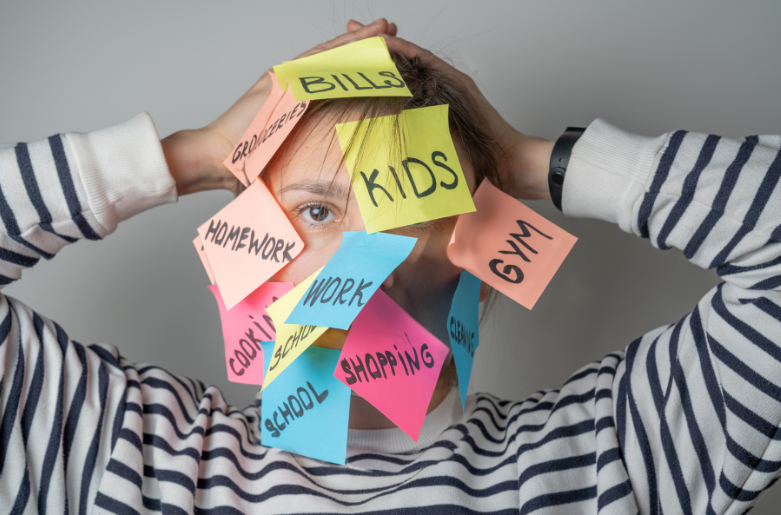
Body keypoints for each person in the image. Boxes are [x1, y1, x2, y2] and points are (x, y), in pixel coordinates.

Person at [1, 17, 779, 514]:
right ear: (249, 234)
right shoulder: (129, 450)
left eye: (417, 213)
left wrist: (527, 163)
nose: (365, 261)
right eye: (315, 211)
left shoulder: (602, 450)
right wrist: (198, 154)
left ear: (486, 247)